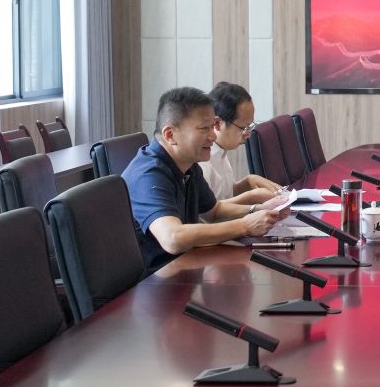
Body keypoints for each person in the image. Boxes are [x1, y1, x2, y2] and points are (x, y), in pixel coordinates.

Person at [122, 86, 279, 271]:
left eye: (213, 126)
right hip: (153, 279)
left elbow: (214, 211)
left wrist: (262, 210)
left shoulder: (188, 164)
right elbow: (173, 238)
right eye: (204, 128)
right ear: (170, 135)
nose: (213, 135)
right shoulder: (149, 174)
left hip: (182, 267)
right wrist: (244, 226)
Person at [204, 82, 285, 204]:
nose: (248, 134)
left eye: (249, 127)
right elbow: (209, 212)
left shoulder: (220, 151)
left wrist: (248, 182)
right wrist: (251, 198)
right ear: (218, 124)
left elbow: (225, 195)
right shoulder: (202, 160)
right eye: (243, 128)